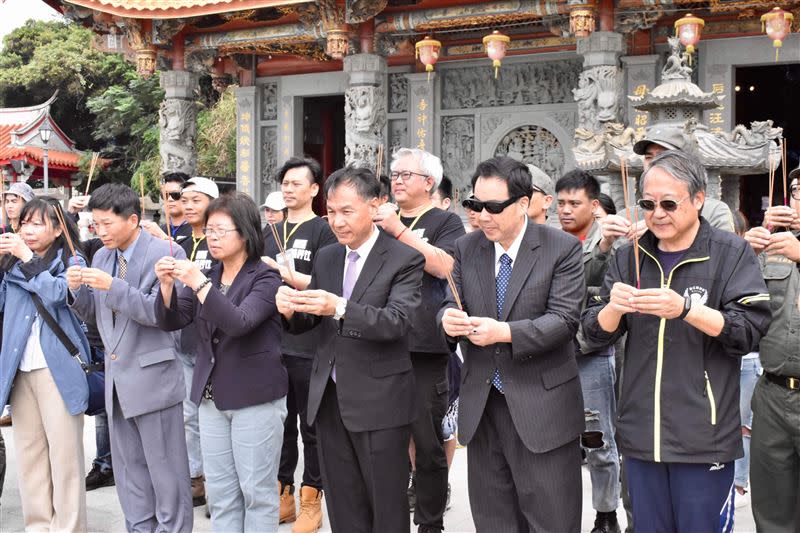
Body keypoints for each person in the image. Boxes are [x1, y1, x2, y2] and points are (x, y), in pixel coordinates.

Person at [581, 150, 772, 532]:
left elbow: (748, 330)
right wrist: (613, 308)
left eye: (669, 203)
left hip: (704, 435)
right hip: (639, 432)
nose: (658, 213)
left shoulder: (728, 251)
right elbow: (592, 332)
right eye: (648, 204)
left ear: (698, 199)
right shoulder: (630, 255)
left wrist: (686, 309)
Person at [440, 156, 586, 532]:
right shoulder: (465, 248)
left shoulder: (561, 248)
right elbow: (447, 303)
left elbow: (564, 320)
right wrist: (447, 319)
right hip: (483, 403)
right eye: (475, 205)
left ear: (524, 204)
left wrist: (503, 332)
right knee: (494, 520)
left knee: (551, 519)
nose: (482, 216)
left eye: (493, 207)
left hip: (543, 406)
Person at [275, 166, 424, 533]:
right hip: (330, 398)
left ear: (375, 206)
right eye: (331, 212)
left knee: (385, 506)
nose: (337, 221)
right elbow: (312, 323)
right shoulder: (327, 256)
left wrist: (338, 307)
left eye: (346, 211)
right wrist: (292, 312)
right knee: (344, 505)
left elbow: (397, 322)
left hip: (380, 401)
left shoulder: (404, 259)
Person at [155, 192, 288, 532]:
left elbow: (240, 322)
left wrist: (198, 283)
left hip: (254, 396)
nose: (211, 238)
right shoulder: (210, 274)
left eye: (220, 231)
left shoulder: (265, 277)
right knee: (221, 493)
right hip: (211, 397)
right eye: (209, 231)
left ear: (244, 233)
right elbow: (174, 319)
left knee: (256, 492)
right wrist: (168, 286)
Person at [68, 183, 192, 532]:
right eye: (95, 224)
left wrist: (113, 287)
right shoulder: (102, 256)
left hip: (155, 379)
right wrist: (77, 291)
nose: (100, 231)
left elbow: (162, 314)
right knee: (129, 474)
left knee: (167, 475)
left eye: (107, 223)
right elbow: (96, 313)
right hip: (118, 383)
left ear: (133, 219)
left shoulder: (166, 253)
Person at [374, 148, 465, 533]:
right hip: (380, 341)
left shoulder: (446, 221)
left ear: (429, 182)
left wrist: (398, 230)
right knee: (383, 441)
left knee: (427, 443)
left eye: (406, 174)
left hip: (425, 345)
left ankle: (430, 522)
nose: (396, 180)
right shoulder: (376, 219)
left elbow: (445, 266)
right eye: (394, 173)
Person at [0, 197, 90, 531]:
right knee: (30, 456)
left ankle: (68, 527)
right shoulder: (10, 263)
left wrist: (25, 259)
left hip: (58, 370)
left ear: (57, 229)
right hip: (20, 370)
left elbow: (59, 295)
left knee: (64, 458)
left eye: (38, 223)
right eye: (24, 223)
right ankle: (37, 525)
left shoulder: (72, 260)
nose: (28, 230)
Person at [263, 156, 335, 532]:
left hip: (309, 343)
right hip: (271, 345)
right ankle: (283, 492)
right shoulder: (268, 231)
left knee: (312, 425)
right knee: (279, 424)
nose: (288, 189)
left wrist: (292, 277)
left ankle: (312, 497)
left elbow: (328, 284)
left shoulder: (323, 231)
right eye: (284, 183)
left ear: (314, 189)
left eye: (296, 183)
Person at [555, 170, 621, 533]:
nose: (565, 210)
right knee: (555, 442)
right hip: (551, 353)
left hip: (592, 355)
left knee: (597, 438)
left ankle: (606, 512)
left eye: (574, 203)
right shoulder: (547, 240)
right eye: (561, 202)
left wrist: (605, 248)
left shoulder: (612, 241)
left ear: (594, 206)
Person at [743, 169, 800, 532]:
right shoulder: (775, 249)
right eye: (796, 189)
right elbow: (741, 304)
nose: (799, 196)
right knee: (773, 512)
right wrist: (745, 251)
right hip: (775, 393)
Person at [176, 175, 220, 506]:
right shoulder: (175, 239)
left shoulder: (219, 241)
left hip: (214, 340)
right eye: (184, 200)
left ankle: (219, 482)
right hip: (182, 338)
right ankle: (195, 477)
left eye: (196, 200)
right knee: (189, 415)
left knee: (214, 414)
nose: (188, 205)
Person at [633, 126, 735, 232]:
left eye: (663, 156)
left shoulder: (714, 211)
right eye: (648, 157)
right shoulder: (628, 216)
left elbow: (723, 246)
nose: (653, 163)